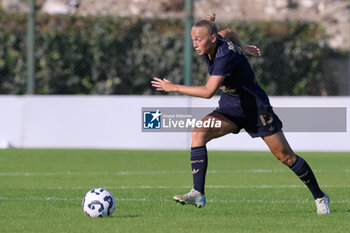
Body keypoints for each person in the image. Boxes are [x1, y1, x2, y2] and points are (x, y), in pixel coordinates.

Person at [151, 14, 330, 215]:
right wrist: (242, 47)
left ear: (211, 39)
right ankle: (198, 192)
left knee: (286, 157)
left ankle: (320, 196)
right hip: (231, 108)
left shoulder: (223, 57)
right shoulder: (214, 40)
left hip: (255, 109)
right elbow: (228, 32)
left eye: (198, 39)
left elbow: (208, 91)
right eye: (193, 39)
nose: (195, 44)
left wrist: (174, 87)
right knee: (198, 133)